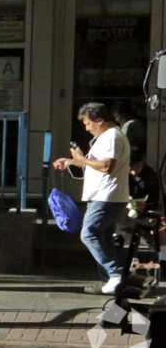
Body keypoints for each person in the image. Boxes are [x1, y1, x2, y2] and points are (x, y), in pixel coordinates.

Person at [54, 101, 132, 294]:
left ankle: (116, 274)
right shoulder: (107, 136)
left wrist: (80, 159)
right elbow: (96, 164)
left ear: (99, 121)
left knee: (89, 234)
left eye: (88, 124)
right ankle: (109, 281)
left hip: (106, 196)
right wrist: (73, 161)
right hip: (104, 195)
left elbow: (107, 166)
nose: (87, 129)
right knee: (103, 237)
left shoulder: (111, 136)